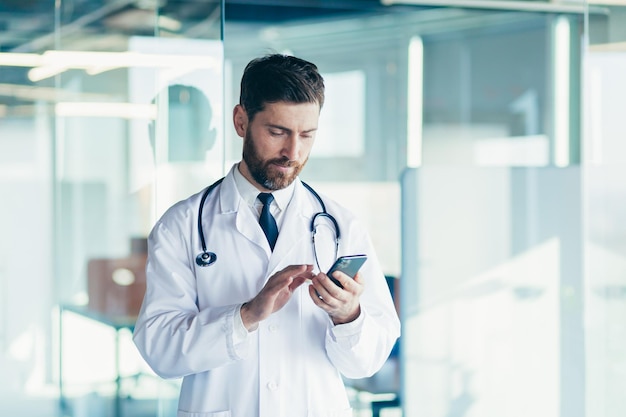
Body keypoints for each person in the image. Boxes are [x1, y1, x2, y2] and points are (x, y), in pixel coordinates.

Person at [133, 53, 401, 417]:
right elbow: (160, 349)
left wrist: (348, 315)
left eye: (307, 135)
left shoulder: (341, 225)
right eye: (278, 132)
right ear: (241, 121)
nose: (293, 152)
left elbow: (366, 362)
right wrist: (245, 316)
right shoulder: (181, 225)